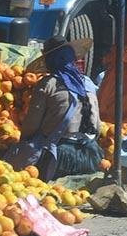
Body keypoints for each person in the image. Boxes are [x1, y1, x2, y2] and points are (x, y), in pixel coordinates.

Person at [10, 36, 102, 181]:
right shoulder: (88, 83)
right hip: (90, 154)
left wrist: (23, 145)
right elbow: (97, 125)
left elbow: (31, 126)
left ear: (50, 61)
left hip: (60, 157)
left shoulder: (48, 84)